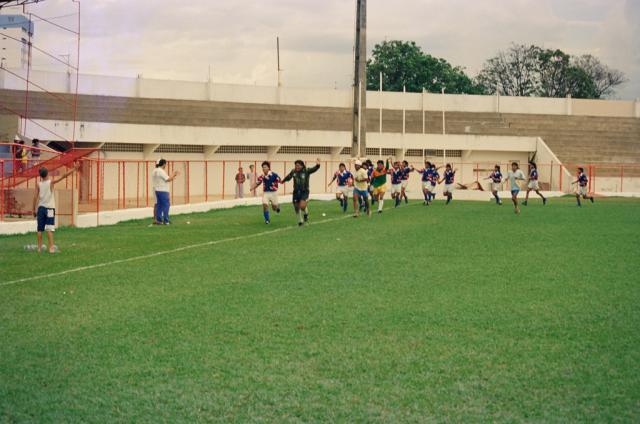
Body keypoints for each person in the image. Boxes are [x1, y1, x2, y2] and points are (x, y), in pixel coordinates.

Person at [32, 164, 79, 253]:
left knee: (39, 229)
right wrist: (73, 169)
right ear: (47, 174)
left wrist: (33, 209)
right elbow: (63, 176)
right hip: (50, 209)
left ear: (40, 175)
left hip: (41, 208)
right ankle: (51, 248)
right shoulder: (51, 182)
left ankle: (39, 248)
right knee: (49, 229)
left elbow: (35, 197)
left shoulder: (38, 184)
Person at [281, 158, 321, 226]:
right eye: (296, 165)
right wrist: (283, 181)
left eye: (298, 165)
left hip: (304, 191)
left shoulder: (306, 171)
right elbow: (289, 177)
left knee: (302, 206)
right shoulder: (293, 171)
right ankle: (300, 221)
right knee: (296, 207)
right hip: (296, 192)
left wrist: (317, 165)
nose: (297, 167)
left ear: (302, 166)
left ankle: (306, 213)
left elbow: (314, 169)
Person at [152, 159, 179, 225]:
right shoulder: (161, 171)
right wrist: (174, 174)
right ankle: (166, 221)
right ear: (163, 164)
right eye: (165, 164)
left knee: (159, 205)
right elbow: (168, 179)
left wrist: (171, 177)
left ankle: (159, 220)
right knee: (166, 205)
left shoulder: (154, 171)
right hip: (163, 190)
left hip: (156, 190)